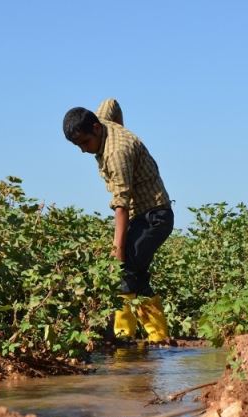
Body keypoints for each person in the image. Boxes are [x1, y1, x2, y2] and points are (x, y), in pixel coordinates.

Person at [62, 98, 174, 343]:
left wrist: (117, 250)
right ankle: (158, 337)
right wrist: (122, 129)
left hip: (155, 216)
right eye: (77, 146)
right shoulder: (101, 120)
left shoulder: (117, 154)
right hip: (142, 216)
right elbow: (111, 103)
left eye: (84, 143)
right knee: (136, 273)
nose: (83, 150)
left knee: (126, 271)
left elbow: (121, 205)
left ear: (96, 129)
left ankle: (123, 336)